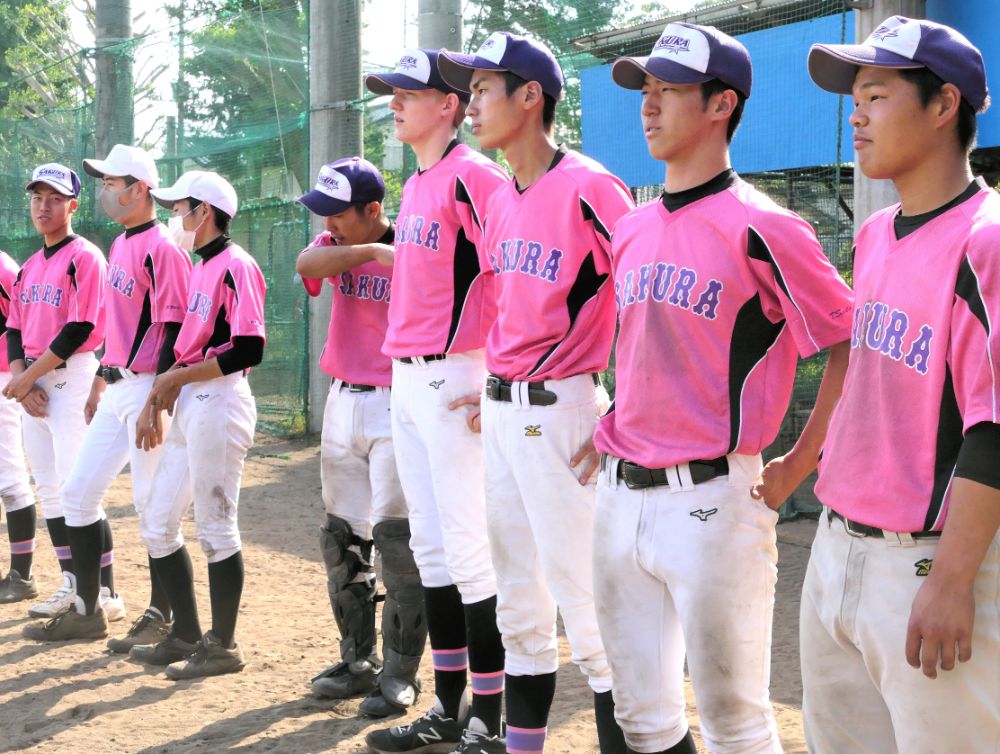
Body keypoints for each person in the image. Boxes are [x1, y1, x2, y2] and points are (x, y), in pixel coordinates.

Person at [593, 23, 853, 754]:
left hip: (711, 500)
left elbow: (847, 344)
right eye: (646, 91)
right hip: (619, 496)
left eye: (669, 90)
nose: (649, 105)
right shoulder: (631, 229)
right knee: (639, 718)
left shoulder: (767, 226)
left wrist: (802, 462)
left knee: (735, 721)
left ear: (720, 104)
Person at [803, 16, 999, 753]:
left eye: (877, 93)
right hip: (835, 548)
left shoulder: (988, 238)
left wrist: (952, 580)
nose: (856, 111)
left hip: (928, 563)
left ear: (944, 105)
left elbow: (994, 423)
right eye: (856, 95)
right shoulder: (877, 233)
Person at [437, 32, 636, 754]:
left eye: (485, 88)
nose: (471, 103)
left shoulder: (592, 186)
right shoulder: (500, 198)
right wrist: (491, 384)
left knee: (590, 608)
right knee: (520, 604)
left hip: (567, 412)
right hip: (505, 410)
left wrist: (624, 413)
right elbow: (510, 311)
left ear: (531, 97)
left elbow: (642, 302)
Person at [361, 48, 509, 753]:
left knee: (472, 553)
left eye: (407, 91)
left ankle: (492, 714)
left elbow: (515, 273)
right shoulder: (416, 181)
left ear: (447, 104)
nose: (393, 100)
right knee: (432, 550)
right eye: (391, 91)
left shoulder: (474, 175)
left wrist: (497, 374)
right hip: (409, 378)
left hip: (458, 377)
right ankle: (448, 708)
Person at [22, 144, 192, 644]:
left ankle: (163, 614)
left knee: (150, 505)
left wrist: (157, 400)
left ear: (139, 190)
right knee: (76, 492)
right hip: (119, 384)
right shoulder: (123, 244)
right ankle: (88, 607)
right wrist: (105, 383)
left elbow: (175, 328)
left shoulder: (161, 247)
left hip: (146, 387)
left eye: (111, 183)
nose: (103, 191)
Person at [295, 156, 424, 715]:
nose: (329, 223)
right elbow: (308, 261)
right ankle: (357, 661)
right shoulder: (344, 246)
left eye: (340, 213)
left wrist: (386, 251)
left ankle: (400, 673)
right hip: (342, 401)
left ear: (374, 209)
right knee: (342, 538)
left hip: (396, 402)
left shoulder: (414, 248)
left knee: (396, 543)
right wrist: (370, 250)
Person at [128, 170, 266, 680]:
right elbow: (179, 347)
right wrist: (160, 392)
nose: (174, 217)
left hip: (220, 400)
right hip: (192, 399)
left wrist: (177, 378)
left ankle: (223, 645)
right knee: (157, 520)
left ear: (204, 211)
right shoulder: (199, 267)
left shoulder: (237, 264)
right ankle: (184, 633)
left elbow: (249, 347)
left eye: (180, 207)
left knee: (215, 526)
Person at [2, 163, 113, 621]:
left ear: (73, 204)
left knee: (79, 489)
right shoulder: (30, 265)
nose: (44, 207)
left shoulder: (85, 256)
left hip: (71, 376)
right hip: (37, 382)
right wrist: (21, 377)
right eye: (37, 198)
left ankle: (104, 591)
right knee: (50, 489)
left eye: (54, 199)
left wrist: (29, 377)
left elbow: (82, 326)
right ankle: (72, 583)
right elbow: (12, 327)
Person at [0, 249, 38, 604]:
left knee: (11, 478)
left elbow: (18, 324)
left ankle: (21, 575)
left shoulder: (4, 268)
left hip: (3, 378)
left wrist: (23, 376)